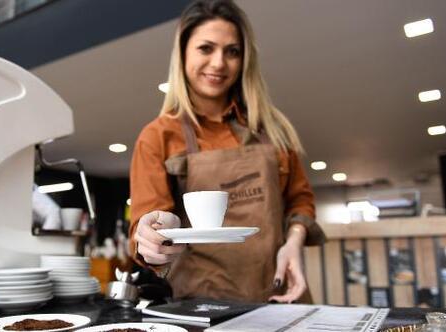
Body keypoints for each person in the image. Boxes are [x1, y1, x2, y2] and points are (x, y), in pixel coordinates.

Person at [129, 0, 326, 303]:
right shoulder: (157, 136)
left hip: (282, 298)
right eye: (206, 48)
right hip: (203, 308)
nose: (219, 63)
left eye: (232, 51)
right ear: (182, 54)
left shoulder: (273, 130)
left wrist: (294, 242)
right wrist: (152, 237)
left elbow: (300, 201)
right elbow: (148, 229)